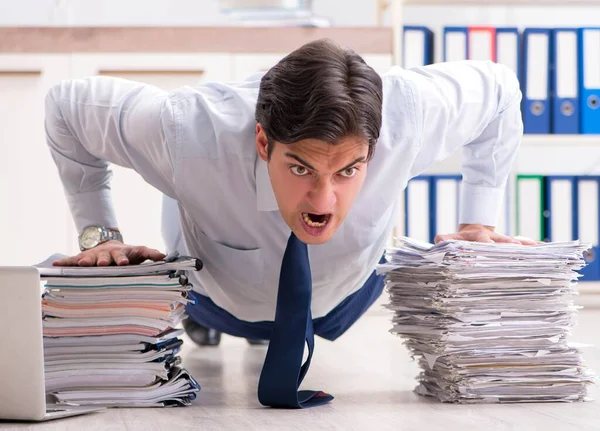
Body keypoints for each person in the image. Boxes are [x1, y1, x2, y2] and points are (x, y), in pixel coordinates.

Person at [44, 38, 535, 408]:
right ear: (263, 143)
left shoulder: (410, 113)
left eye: (348, 170)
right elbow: (65, 106)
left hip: (344, 294)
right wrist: (100, 236)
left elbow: (499, 88)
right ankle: (213, 323)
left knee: (322, 275)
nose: (323, 199)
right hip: (214, 294)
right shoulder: (186, 129)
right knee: (204, 241)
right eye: (301, 167)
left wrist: (479, 220)